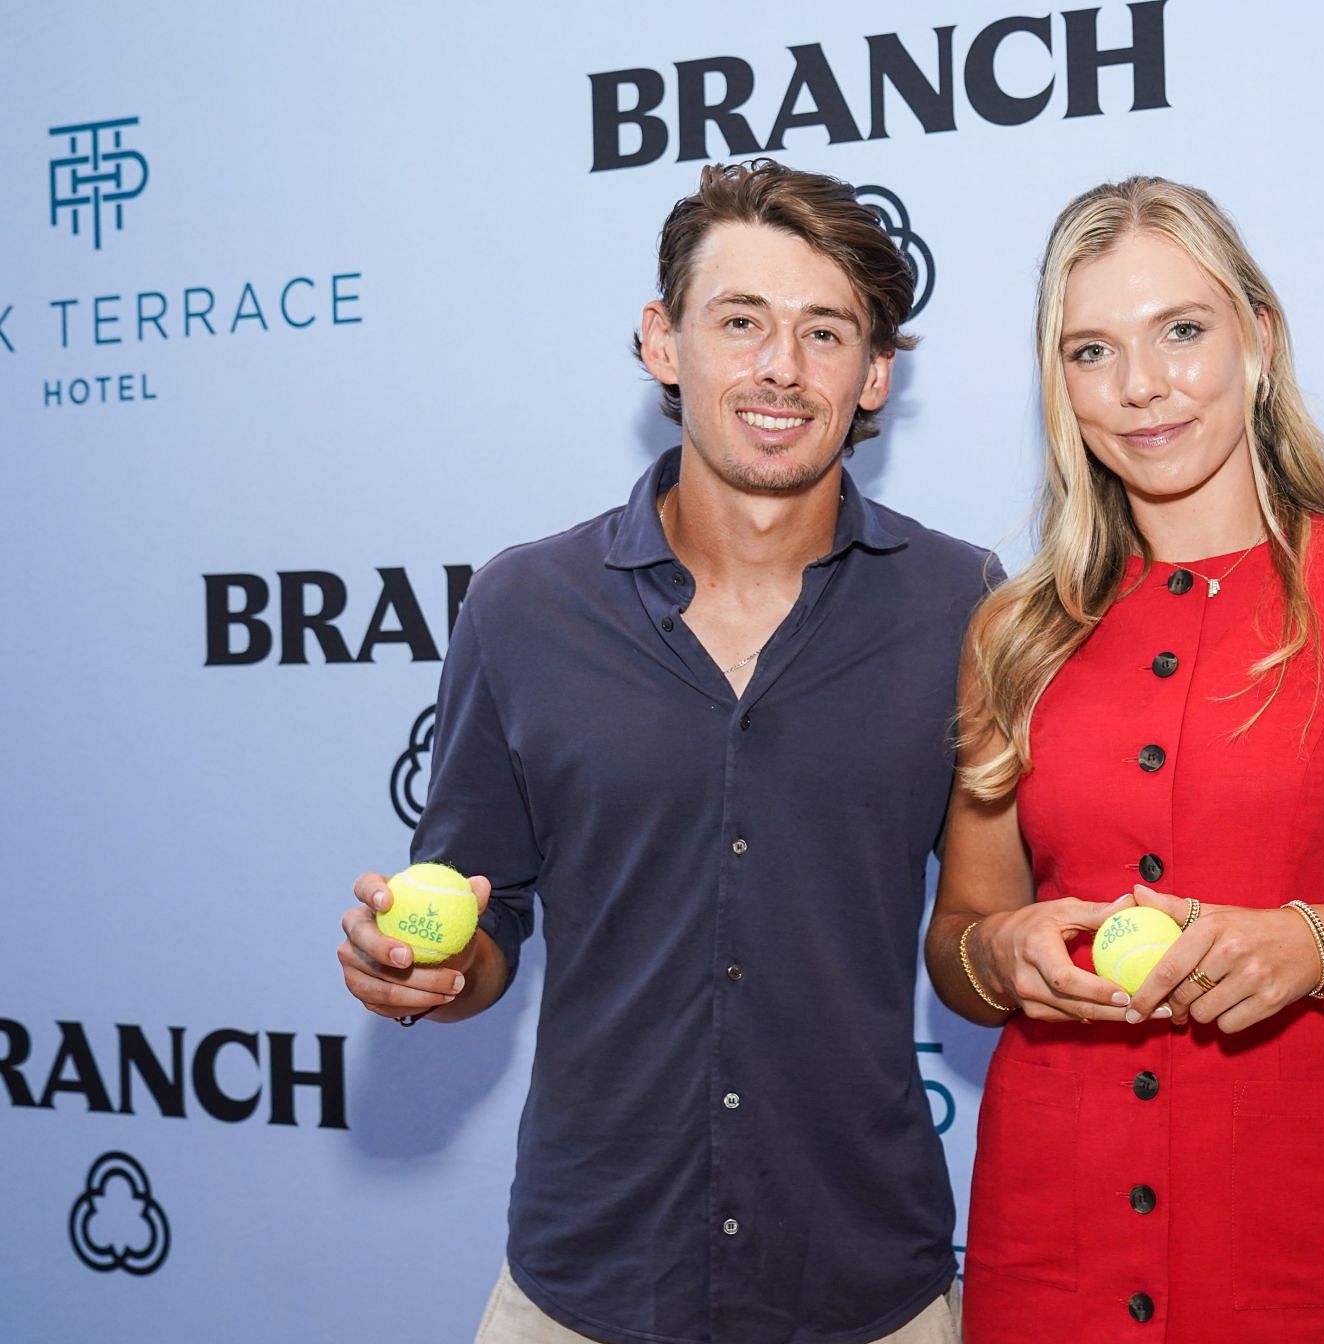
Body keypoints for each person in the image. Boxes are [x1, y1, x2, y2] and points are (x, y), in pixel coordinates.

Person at [334, 159, 990, 1344]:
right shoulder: (522, 604)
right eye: (739, 321)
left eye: (824, 331)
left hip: (863, 1283)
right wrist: (425, 971)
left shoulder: (963, 605)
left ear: (876, 372)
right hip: (585, 1284)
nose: (780, 367)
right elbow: (484, 914)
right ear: (662, 342)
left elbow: (989, 918)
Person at [927, 176, 1324, 1341]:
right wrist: (1000, 951)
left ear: (1257, 338)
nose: (1142, 386)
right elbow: (956, 944)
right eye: (1091, 350)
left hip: (1313, 1243)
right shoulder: (1010, 633)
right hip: (1051, 1240)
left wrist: (1320, 943)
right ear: (1058, 384)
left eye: (1182, 331)